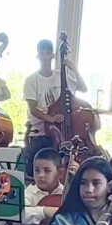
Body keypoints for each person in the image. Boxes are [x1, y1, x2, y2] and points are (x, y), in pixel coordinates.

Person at [23, 39, 87, 173]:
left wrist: (73, 69)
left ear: (52, 55)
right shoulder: (31, 80)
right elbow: (33, 109)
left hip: (61, 132)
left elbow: (83, 88)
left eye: (48, 53)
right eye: (42, 54)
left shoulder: (60, 76)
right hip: (40, 133)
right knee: (38, 170)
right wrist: (50, 119)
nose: (45, 57)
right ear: (38, 56)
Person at [15, 147, 64, 225]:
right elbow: (18, 215)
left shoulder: (65, 193)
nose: (41, 175)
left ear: (60, 173)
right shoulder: (29, 193)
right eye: (37, 170)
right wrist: (44, 211)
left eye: (47, 171)